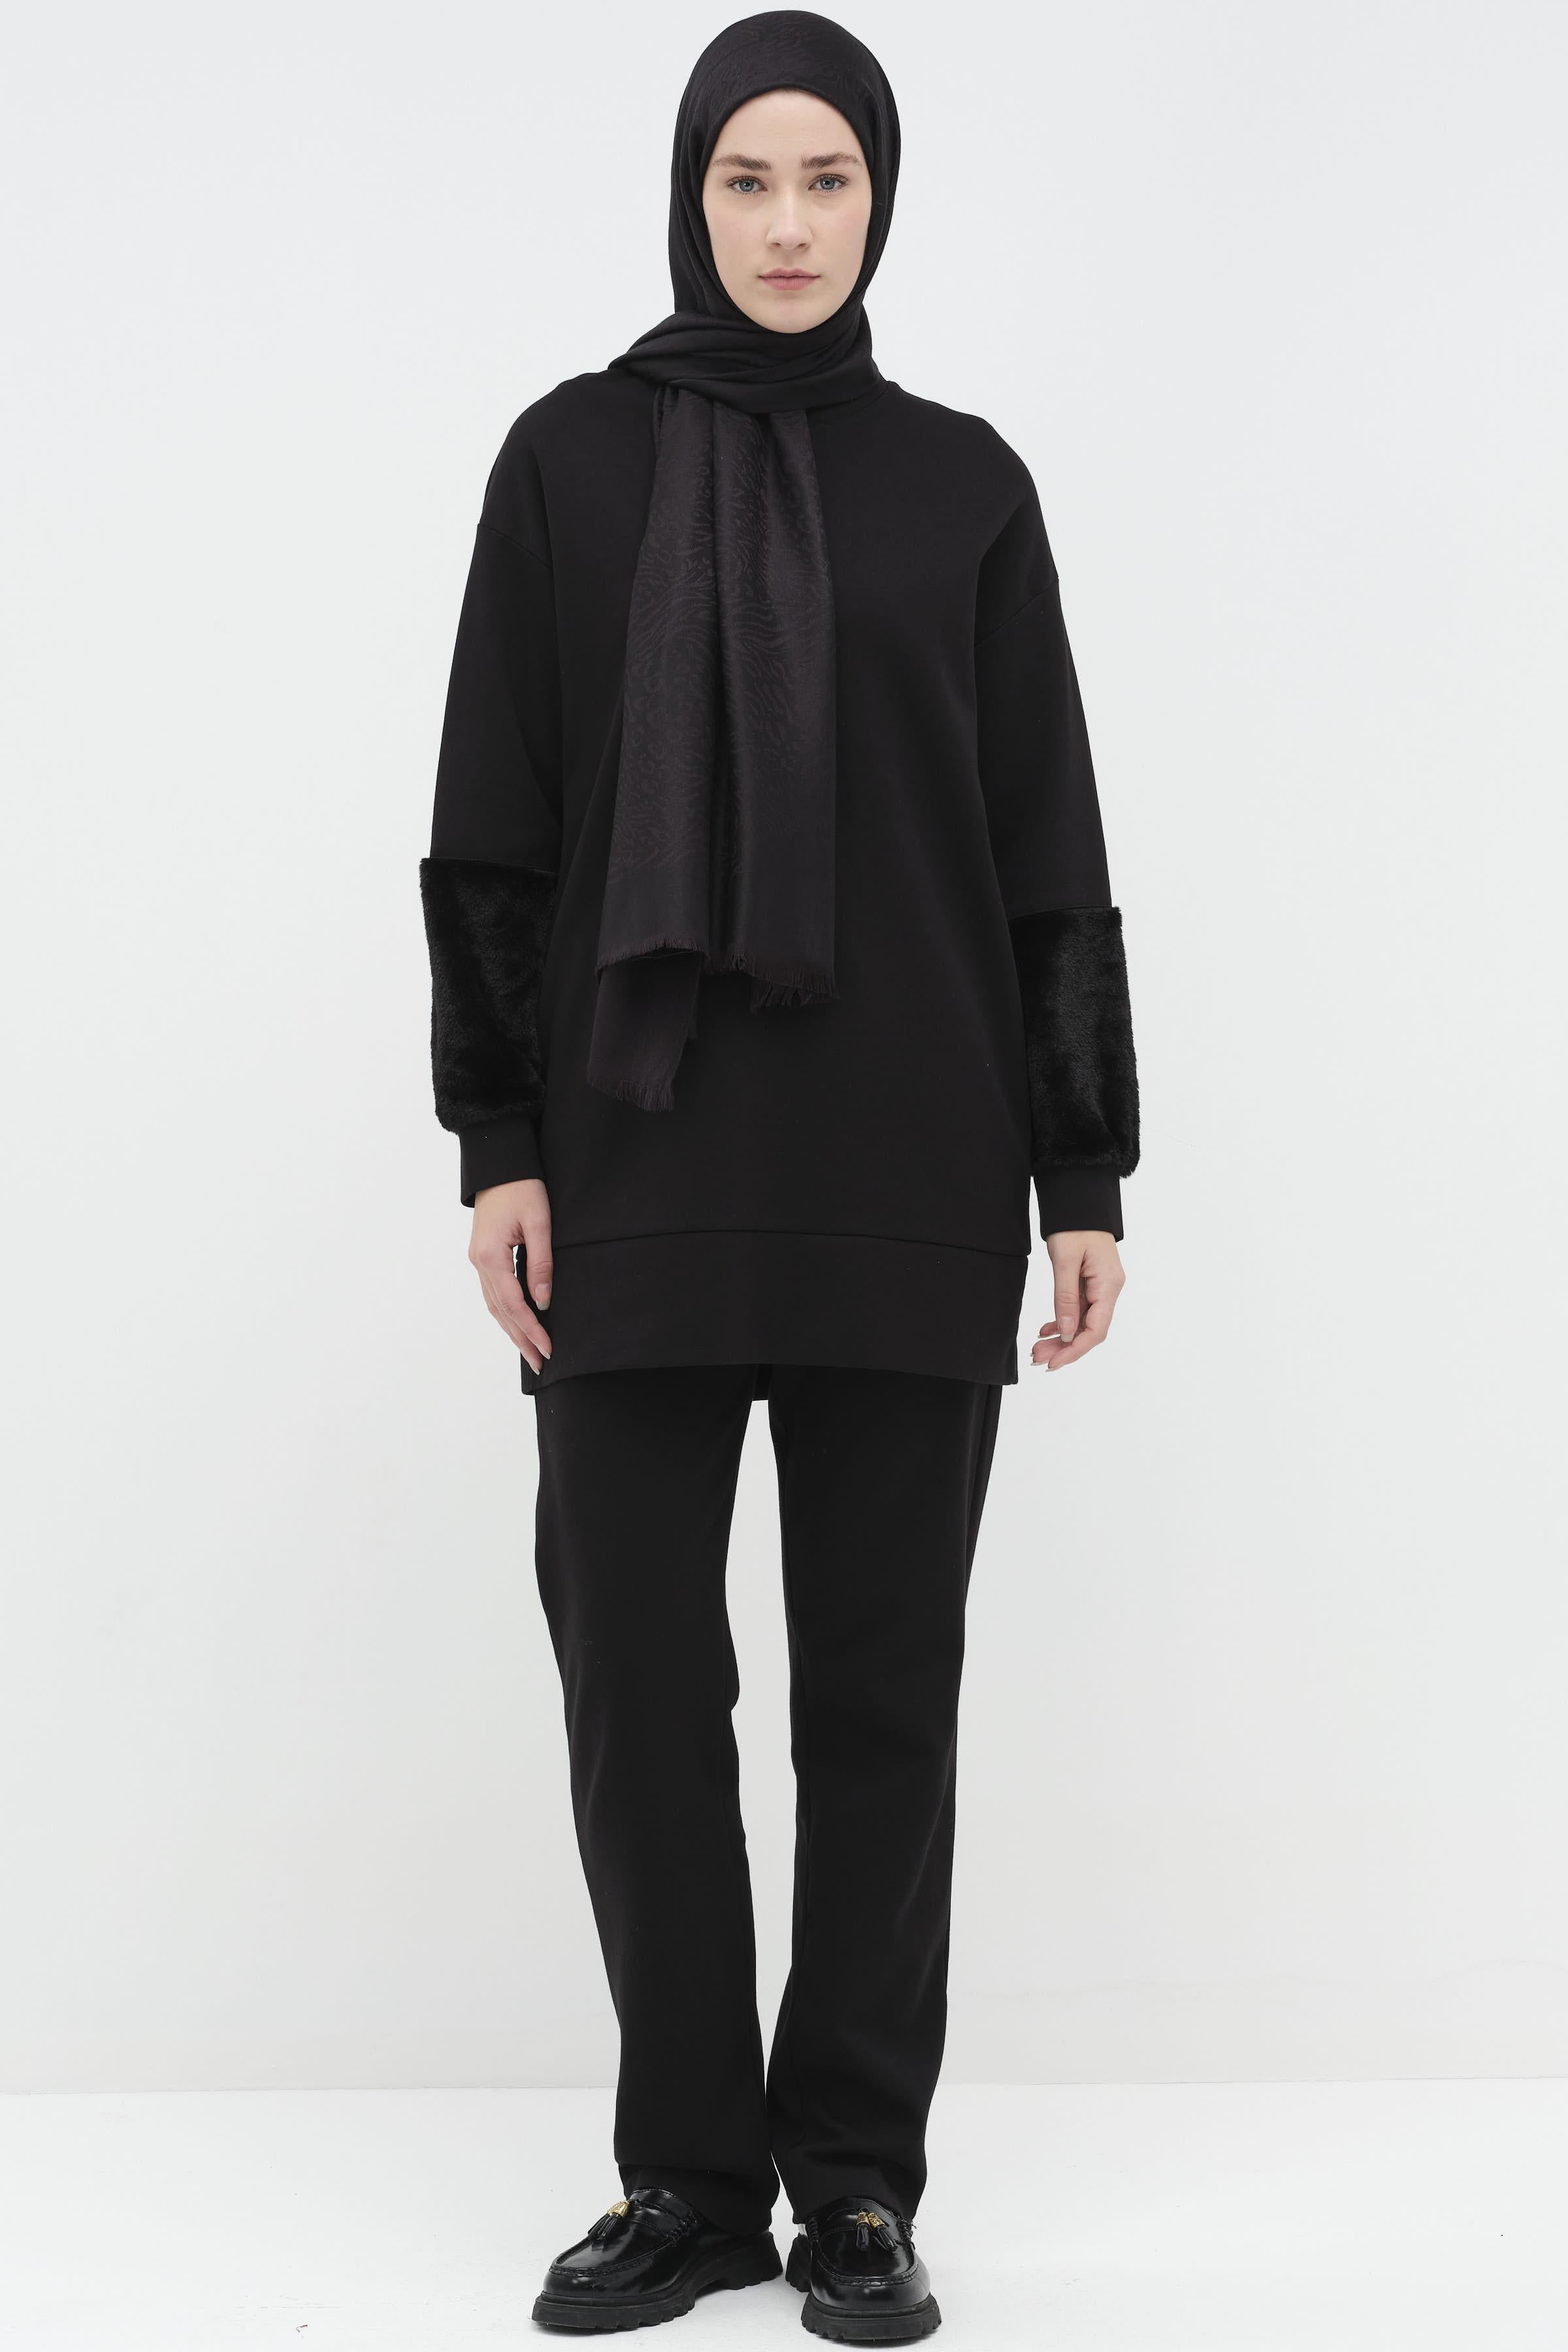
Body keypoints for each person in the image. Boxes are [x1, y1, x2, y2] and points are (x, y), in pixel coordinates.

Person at [419, 11, 1138, 2339]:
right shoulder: (569, 461)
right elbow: (496, 824)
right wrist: (499, 1141)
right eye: (749, 179)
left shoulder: (966, 488)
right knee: (640, 1694)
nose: (792, 224)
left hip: (913, 1161)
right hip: (629, 1172)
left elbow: (1045, 845)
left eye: (831, 179)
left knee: (881, 1705)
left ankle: (853, 2188)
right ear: (689, 195)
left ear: (883, 198)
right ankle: (689, 2177)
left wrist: (1084, 1167)